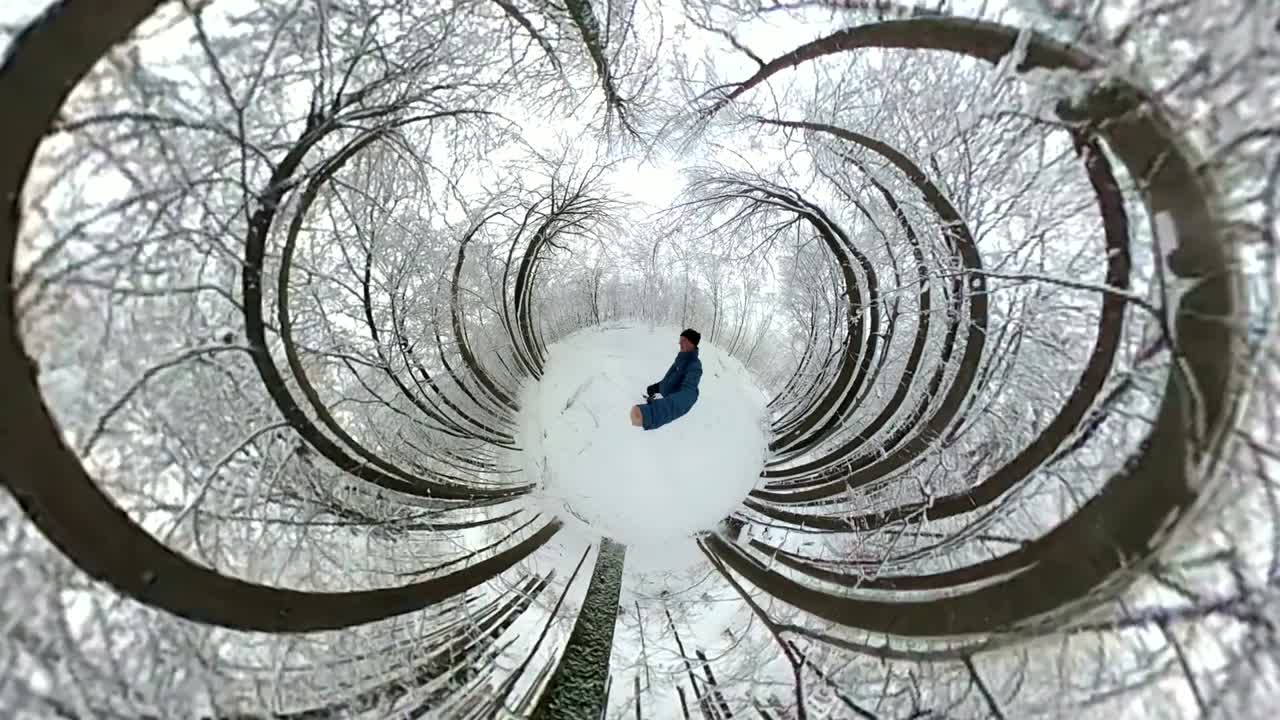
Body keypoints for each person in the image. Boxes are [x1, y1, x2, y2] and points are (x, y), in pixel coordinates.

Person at [630, 329, 703, 430]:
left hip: (672, 403)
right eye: (680, 340)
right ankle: (653, 399)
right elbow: (670, 378)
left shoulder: (695, 366)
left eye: (684, 340)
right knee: (650, 389)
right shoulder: (681, 358)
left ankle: (653, 408)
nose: (679, 343)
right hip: (664, 393)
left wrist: (652, 414)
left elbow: (687, 395)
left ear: (692, 343)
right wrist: (658, 386)